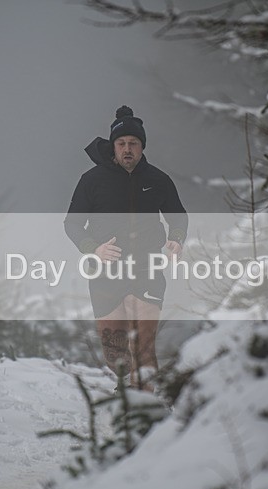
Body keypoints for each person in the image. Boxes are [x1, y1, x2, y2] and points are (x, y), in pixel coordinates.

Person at [65, 105, 188, 391]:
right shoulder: (92, 180)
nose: (127, 149)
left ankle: (145, 406)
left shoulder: (158, 180)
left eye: (133, 143)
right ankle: (126, 392)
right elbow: (72, 224)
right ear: (113, 146)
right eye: (121, 143)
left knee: (144, 347)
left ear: (142, 146)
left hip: (147, 270)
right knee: (115, 354)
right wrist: (93, 249)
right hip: (105, 274)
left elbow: (178, 216)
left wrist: (177, 238)